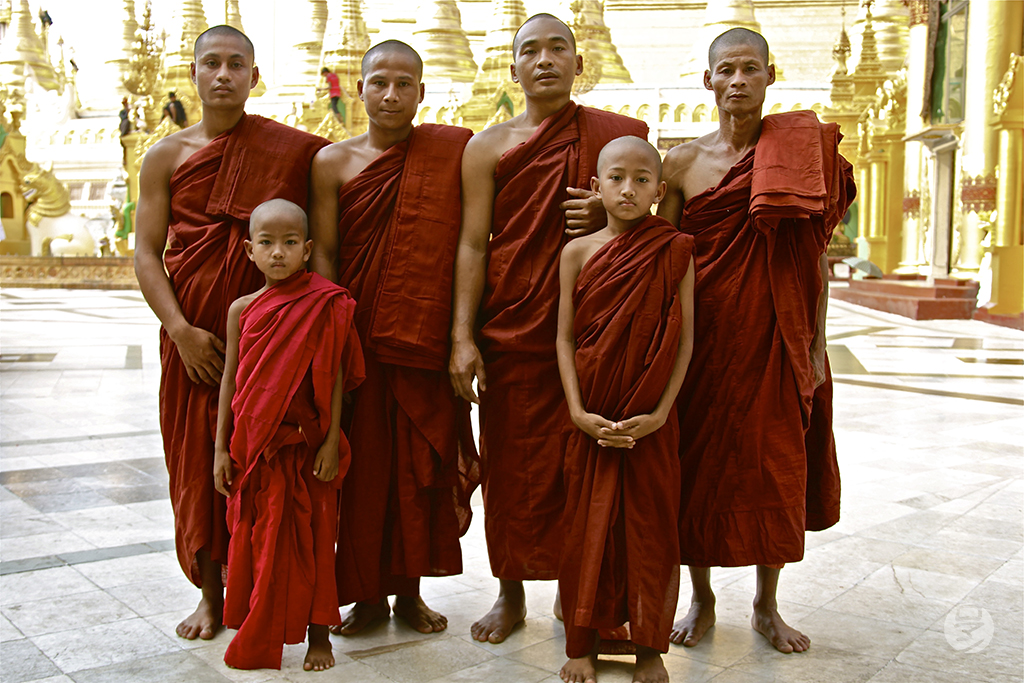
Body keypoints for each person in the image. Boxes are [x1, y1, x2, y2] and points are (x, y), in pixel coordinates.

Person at [449, 13, 648, 644]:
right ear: (512, 68)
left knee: (582, 469)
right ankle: (509, 596)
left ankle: (576, 590)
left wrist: (608, 207)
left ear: (578, 63)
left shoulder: (617, 140)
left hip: (594, 334)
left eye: (557, 49)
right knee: (512, 472)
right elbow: (473, 246)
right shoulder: (487, 147)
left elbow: (656, 205)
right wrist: (462, 335)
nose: (544, 61)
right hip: (513, 329)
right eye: (529, 51)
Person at [656, 27, 854, 653]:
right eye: (725, 70)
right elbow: (660, 255)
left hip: (776, 334)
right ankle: (702, 599)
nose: (737, 80)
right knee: (697, 467)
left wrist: (817, 344)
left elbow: (814, 259)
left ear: (771, 75)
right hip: (704, 339)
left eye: (749, 68)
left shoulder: (802, 153)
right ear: (707, 80)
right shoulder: (682, 163)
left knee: (775, 467)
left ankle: (767, 607)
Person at [133, 25, 329, 642]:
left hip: (271, 338)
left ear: (254, 77)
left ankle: (266, 586)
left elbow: (323, 229)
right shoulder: (165, 155)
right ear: (191, 74)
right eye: (211, 64)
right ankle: (211, 596)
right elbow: (145, 252)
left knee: (260, 461)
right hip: (193, 339)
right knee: (198, 463)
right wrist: (180, 330)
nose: (223, 75)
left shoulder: (294, 151)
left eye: (236, 65)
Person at [309, 40, 476, 636]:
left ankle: (409, 593)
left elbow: (467, 242)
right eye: (379, 82)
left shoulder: (449, 155)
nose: (391, 94)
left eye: (405, 84)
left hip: (421, 331)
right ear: (359, 89)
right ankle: (367, 598)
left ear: (422, 94)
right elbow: (325, 252)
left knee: (417, 467)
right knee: (365, 471)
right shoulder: (332, 162)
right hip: (357, 332)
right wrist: (327, 335)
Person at [556, 136, 695, 683]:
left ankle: (648, 648)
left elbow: (684, 343)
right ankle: (581, 644)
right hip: (589, 414)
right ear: (597, 187)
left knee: (649, 529)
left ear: (660, 192)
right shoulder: (576, 253)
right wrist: (575, 410)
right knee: (585, 530)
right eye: (616, 178)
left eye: (642, 180)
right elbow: (564, 339)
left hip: (650, 421)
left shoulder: (676, 249)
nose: (628, 189)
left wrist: (661, 414)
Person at [213, 199, 364, 671]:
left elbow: (337, 377)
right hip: (255, 449)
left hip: (306, 446)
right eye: (267, 243)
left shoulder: (328, 302)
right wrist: (220, 447)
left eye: (290, 243)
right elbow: (232, 381)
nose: (278, 252)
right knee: (257, 538)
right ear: (249, 251)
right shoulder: (243, 309)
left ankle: (320, 635)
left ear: (307, 249)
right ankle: (260, 623)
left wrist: (329, 440)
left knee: (317, 539)